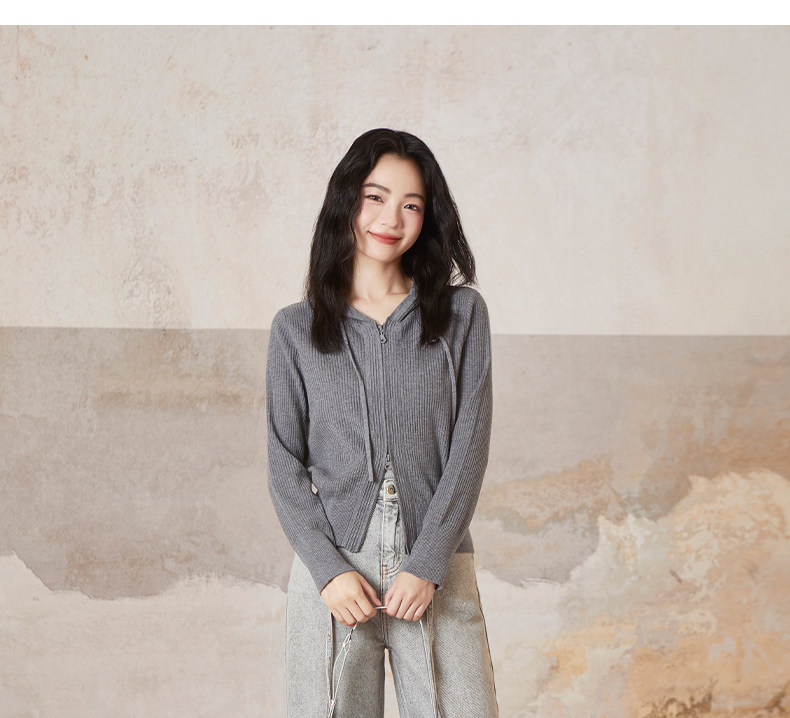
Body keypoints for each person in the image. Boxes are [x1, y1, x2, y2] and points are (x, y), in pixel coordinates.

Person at [266, 128, 498, 717]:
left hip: (437, 567)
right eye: (375, 197)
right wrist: (328, 572)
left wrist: (428, 563)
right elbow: (284, 464)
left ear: (429, 217)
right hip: (335, 575)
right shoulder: (294, 330)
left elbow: (469, 446)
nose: (391, 218)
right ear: (345, 200)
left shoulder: (462, 315)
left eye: (412, 205)